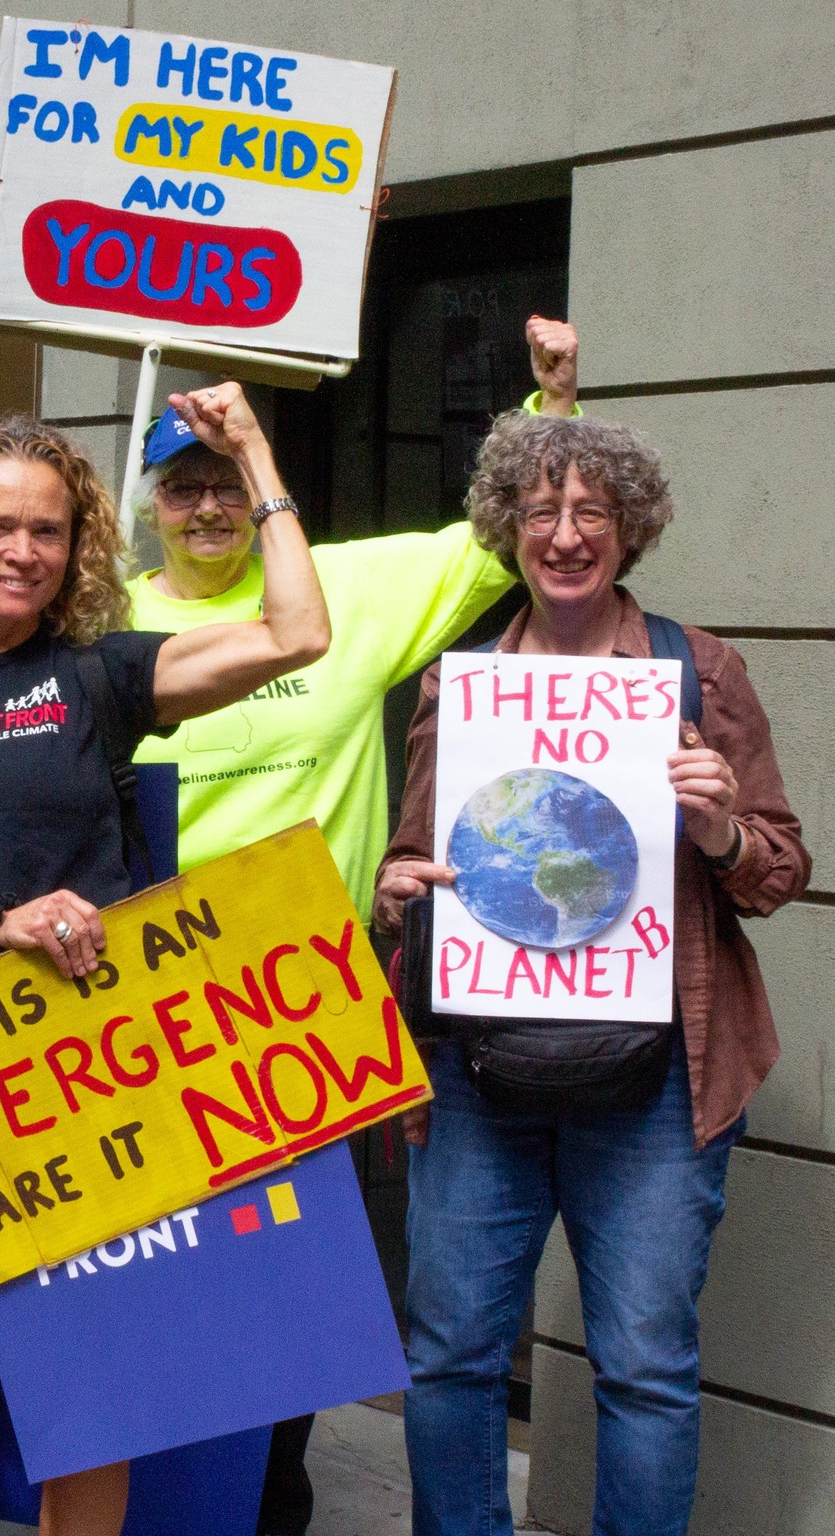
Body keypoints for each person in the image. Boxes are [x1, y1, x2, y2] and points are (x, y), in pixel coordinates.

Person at [0, 398, 330, 1536]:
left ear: (77, 546)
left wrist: (253, 451)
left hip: (83, 1071)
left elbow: (296, 635)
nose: (20, 553)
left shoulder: (101, 675)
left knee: (83, 1399)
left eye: (46, 532)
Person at [125, 318, 581, 1534]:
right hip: (137, 1021)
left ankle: (271, 1501)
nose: (207, 506)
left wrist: (544, 405)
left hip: (299, 1014)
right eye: (183, 486)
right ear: (151, 503)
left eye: (226, 483)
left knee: (283, 1295)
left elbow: (490, 550)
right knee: (158, 1290)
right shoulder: (98, 627)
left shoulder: (343, 588)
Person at [372, 412, 808, 1536]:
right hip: (475, 1067)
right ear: (507, 529)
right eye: (540, 511)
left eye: (590, 513)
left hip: (659, 1076)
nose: (564, 535)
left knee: (645, 1369)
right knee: (450, 1360)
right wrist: (397, 893)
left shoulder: (693, 670)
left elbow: (777, 870)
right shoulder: (456, 683)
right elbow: (411, 856)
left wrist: (717, 833)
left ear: (628, 530)